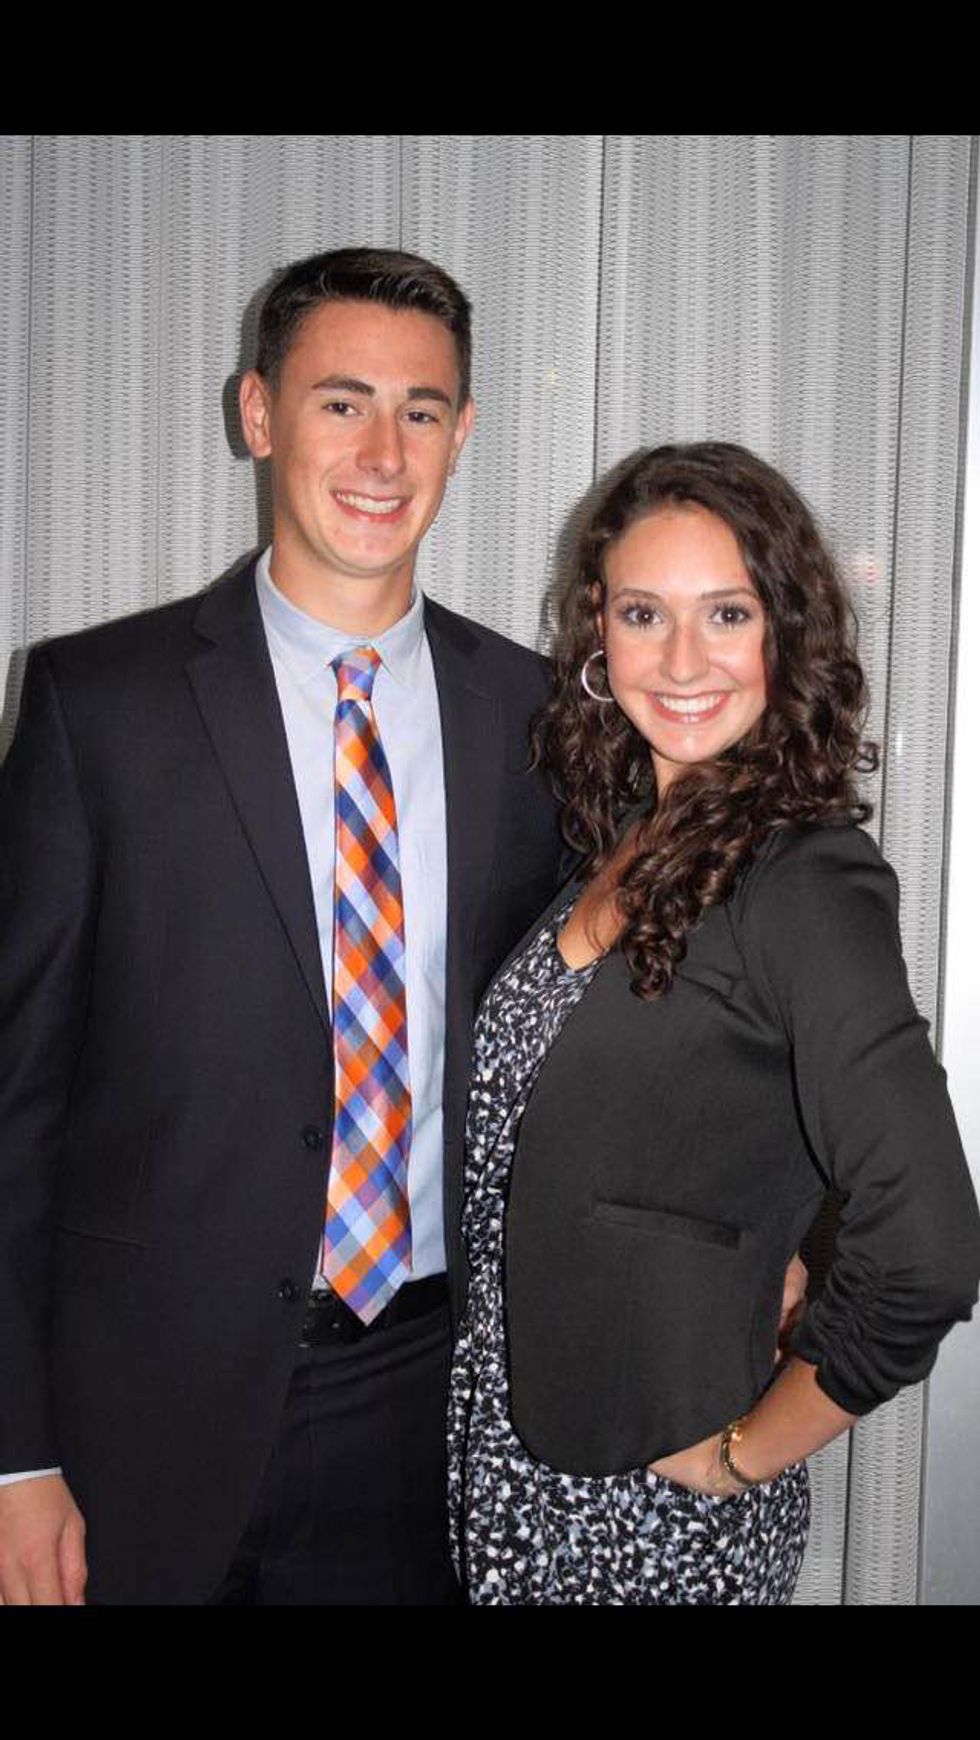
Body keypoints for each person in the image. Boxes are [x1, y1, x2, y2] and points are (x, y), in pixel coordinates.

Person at [0, 247, 568, 1605]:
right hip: (140, 1415)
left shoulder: (538, 721)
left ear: (463, 432)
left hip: (425, 1405)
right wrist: (14, 1454)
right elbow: (13, 1104)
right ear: (257, 413)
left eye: (419, 411)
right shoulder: (98, 705)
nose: (381, 453)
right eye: (339, 402)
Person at [448, 440, 980, 1606]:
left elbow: (927, 1244)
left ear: (783, 633)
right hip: (514, 1463)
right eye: (643, 614)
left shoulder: (803, 879)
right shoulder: (621, 838)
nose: (681, 660)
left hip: (646, 1521)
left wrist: (744, 1454)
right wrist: (772, 1249)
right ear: (598, 633)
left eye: (725, 614)